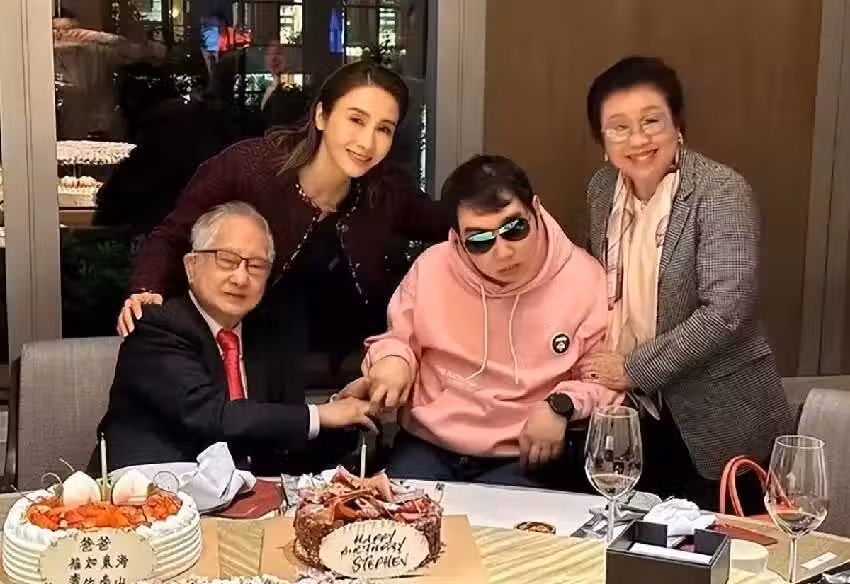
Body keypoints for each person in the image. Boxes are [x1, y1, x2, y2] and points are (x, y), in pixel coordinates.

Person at [118, 61, 449, 379]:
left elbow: (452, 224)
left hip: (343, 367)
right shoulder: (249, 169)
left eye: (384, 129)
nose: (367, 142)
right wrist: (147, 288)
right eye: (356, 120)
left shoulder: (385, 191)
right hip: (245, 358)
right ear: (321, 115)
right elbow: (174, 235)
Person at [575, 56, 794, 511]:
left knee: (723, 545)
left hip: (719, 415)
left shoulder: (720, 190)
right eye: (619, 127)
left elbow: (726, 311)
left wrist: (634, 368)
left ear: (678, 126)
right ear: (602, 142)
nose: (638, 139)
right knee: (635, 539)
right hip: (634, 413)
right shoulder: (601, 190)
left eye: (651, 121)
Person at [345, 155, 621, 488]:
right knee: (396, 514)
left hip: (522, 453)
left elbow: (603, 377)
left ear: (536, 210)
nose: (503, 252)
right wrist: (393, 361)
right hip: (430, 443)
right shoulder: (432, 268)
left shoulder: (584, 277)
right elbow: (398, 339)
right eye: (480, 241)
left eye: (514, 229)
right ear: (458, 239)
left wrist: (561, 405)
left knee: (513, 521)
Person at [94, 202, 376, 474]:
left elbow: (286, 441)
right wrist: (321, 414)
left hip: (249, 499)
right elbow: (210, 417)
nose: (240, 278)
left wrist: (346, 413)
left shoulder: (270, 336)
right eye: (227, 260)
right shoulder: (156, 327)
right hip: (148, 495)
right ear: (191, 266)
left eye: (256, 266)